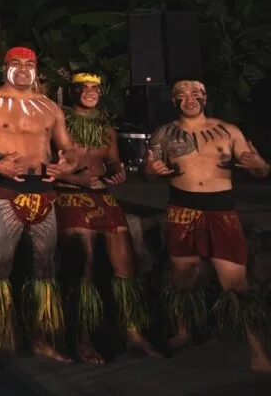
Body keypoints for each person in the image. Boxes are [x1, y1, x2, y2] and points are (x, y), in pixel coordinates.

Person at [0, 47, 78, 368]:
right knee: (0, 263)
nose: (23, 69)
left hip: (44, 191)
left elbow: (69, 148)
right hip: (5, 190)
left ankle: (43, 339)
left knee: (45, 266)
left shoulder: (49, 106)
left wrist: (67, 164)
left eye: (29, 64)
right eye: (16, 64)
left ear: (36, 69)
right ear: (5, 67)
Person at [145, 78, 271, 371]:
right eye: (182, 95)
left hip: (221, 210)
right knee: (183, 275)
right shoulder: (163, 133)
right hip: (181, 209)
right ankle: (182, 330)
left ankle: (257, 349)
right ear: (174, 100)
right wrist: (150, 170)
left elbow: (260, 169)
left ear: (205, 98)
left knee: (235, 283)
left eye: (196, 93)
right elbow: (150, 171)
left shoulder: (228, 130)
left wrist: (261, 167)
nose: (189, 99)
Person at [54, 70, 160, 364]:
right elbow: (47, 163)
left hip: (102, 195)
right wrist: (73, 179)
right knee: (84, 264)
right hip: (68, 194)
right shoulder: (58, 122)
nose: (90, 92)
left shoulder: (106, 128)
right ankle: (82, 337)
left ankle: (133, 332)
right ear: (72, 92)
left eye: (95, 88)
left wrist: (117, 172)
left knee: (125, 262)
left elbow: (113, 160)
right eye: (84, 87)